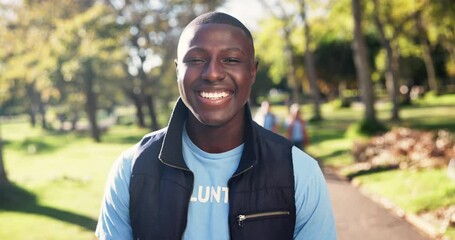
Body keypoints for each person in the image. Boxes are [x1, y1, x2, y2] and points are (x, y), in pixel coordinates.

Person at [95, 12, 336, 240]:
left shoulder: (299, 172)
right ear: (177, 70)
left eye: (231, 59)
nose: (212, 74)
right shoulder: (132, 168)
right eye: (196, 59)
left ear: (252, 71)